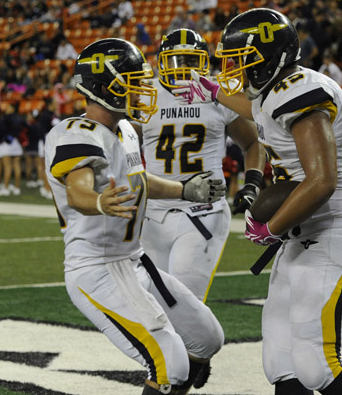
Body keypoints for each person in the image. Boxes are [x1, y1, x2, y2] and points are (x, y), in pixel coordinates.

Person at [173, 8, 342, 395]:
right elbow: (261, 112)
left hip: (332, 232)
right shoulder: (274, 94)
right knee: (280, 364)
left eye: (241, 61)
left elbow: (321, 180)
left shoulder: (301, 90)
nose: (233, 69)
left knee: (317, 365)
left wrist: (270, 227)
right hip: (300, 237)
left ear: (268, 58)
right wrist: (215, 91)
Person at [45, 38, 225, 395]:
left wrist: (184, 189)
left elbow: (139, 181)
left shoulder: (125, 129)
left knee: (207, 338)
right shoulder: (74, 133)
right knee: (169, 360)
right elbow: (77, 190)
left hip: (135, 260)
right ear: (103, 87)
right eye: (132, 81)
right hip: (95, 268)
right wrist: (99, 202)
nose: (143, 88)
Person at [138, 28, 266, 305]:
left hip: (202, 208)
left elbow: (253, 143)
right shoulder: (145, 96)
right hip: (152, 211)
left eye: (191, 60)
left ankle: (190, 348)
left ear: (204, 62)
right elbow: (124, 146)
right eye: (176, 60)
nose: (184, 68)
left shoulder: (217, 93)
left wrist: (252, 182)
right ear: (161, 62)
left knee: (185, 302)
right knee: (154, 303)